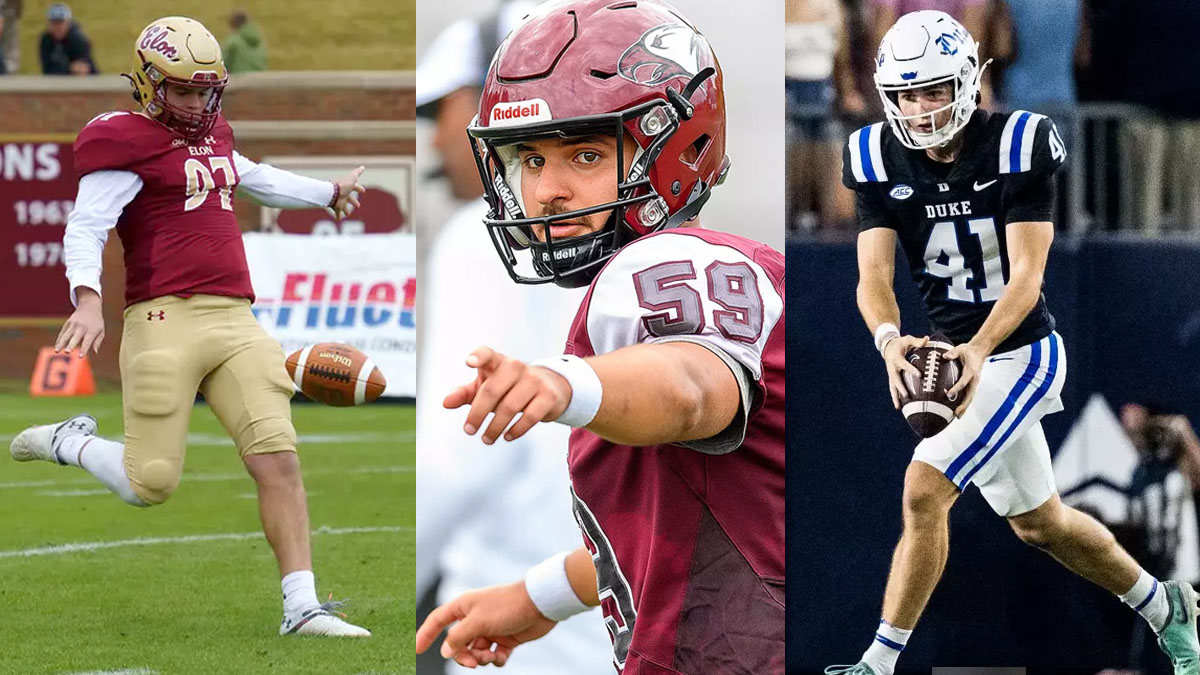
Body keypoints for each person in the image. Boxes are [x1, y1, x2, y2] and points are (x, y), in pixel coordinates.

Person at [414, 0, 786, 672]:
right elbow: (670, 526)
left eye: (584, 153)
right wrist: (541, 594)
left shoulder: (661, 264)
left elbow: (691, 388)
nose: (547, 191)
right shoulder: (661, 268)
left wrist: (565, 383)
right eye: (528, 158)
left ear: (674, 146)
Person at [829, 11, 1198, 675]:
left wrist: (974, 351)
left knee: (923, 487)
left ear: (969, 82)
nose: (919, 107)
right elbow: (871, 278)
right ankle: (1164, 604)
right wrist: (888, 340)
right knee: (1042, 524)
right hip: (962, 353)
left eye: (934, 89)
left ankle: (877, 663)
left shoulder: (1018, 142)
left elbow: (1028, 277)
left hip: (1021, 352)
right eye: (906, 94)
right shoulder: (877, 156)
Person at [9, 16, 370, 638]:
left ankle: (301, 606)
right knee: (149, 483)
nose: (198, 102)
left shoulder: (215, 133)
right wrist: (88, 299)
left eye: (206, 91)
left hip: (236, 319)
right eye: (184, 90)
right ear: (149, 83)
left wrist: (326, 191)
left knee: (277, 457)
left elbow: (251, 175)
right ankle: (69, 440)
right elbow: (87, 226)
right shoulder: (122, 141)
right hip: (162, 318)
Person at [414, 2, 613, 673]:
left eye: (441, 109)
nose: (438, 139)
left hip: (517, 630)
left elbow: (465, 449)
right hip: (632, 617)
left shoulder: (483, 239)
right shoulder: (660, 234)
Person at [39, 3, 95, 75]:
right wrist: (69, 68)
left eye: (60, 23)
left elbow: (83, 69)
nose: (57, 27)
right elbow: (47, 70)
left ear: (68, 23)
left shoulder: (79, 40)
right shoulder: (46, 40)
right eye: (54, 23)